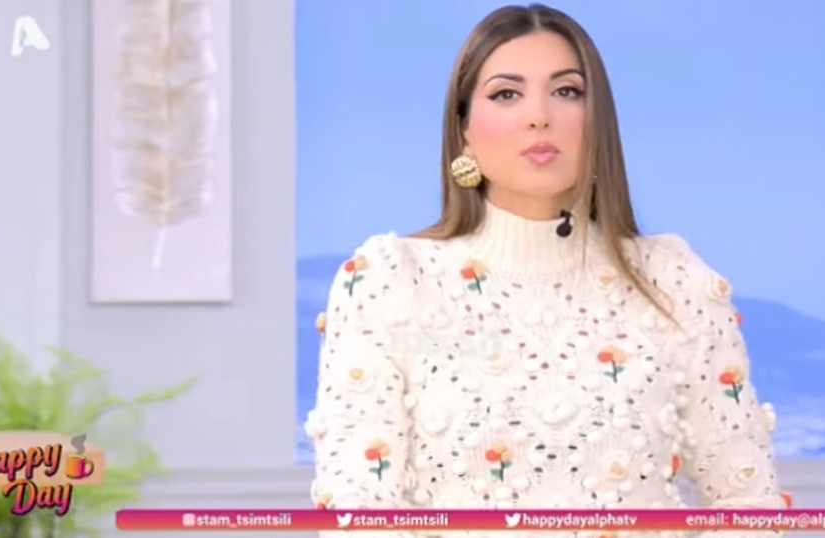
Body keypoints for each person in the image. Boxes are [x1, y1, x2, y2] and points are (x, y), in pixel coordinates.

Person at [305, 4, 789, 537]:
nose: (539, 116)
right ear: (464, 131)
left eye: (566, 91)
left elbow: (749, 505)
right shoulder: (390, 281)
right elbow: (360, 513)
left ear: (598, 121)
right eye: (506, 94)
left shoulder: (674, 281)